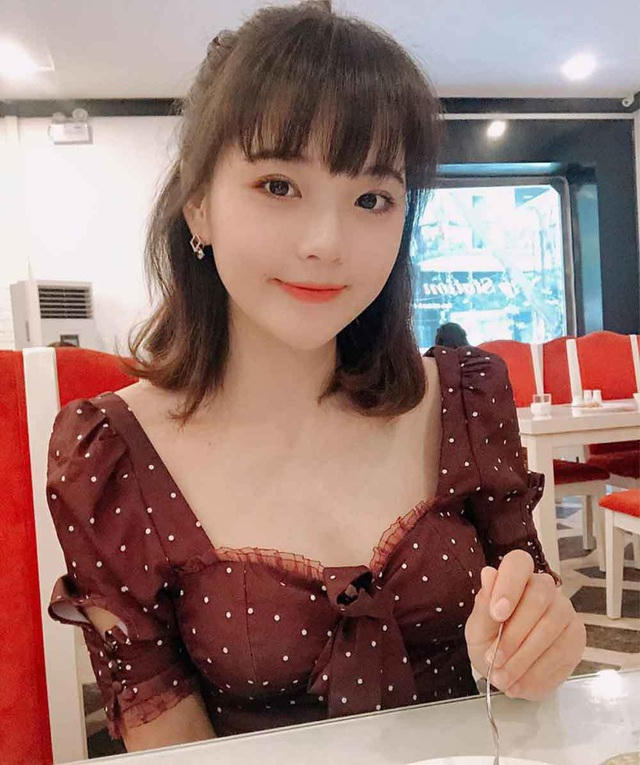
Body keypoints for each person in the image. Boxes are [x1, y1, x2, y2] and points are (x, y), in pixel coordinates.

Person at [45, 0, 585, 753]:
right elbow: (166, 735)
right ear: (198, 205)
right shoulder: (113, 458)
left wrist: (544, 641)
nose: (327, 242)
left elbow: (532, 617)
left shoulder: (465, 401)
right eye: (278, 185)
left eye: (371, 198)